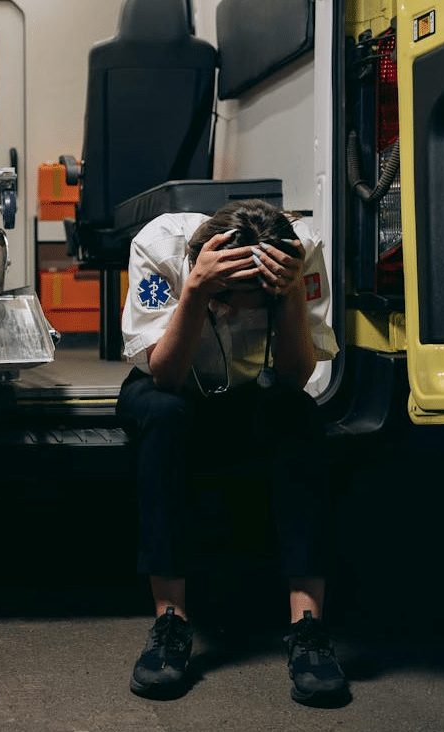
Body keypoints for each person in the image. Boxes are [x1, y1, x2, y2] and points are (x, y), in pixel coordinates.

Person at [116, 199, 349, 706]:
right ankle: (170, 622)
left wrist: (289, 294)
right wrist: (197, 291)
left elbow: (294, 377)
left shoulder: (300, 253)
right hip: (172, 384)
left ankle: (308, 628)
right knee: (164, 414)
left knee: (300, 415)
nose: (236, 313)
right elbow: (166, 375)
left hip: (251, 390)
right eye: (228, 301)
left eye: (251, 305)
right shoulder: (159, 247)